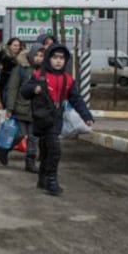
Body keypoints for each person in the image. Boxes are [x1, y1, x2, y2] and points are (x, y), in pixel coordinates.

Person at [20, 44, 93, 196]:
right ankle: (51, 181)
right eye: (55, 58)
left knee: (49, 149)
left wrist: (86, 116)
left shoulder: (68, 79)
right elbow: (24, 92)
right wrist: (34, 89)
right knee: (53, 150)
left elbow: (76, 98)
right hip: (41, 118)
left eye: (62, 58)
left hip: (56, 118)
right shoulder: (40, 75)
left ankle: (44, 179)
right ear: (49, 59)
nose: (58, 61)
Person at [0, 45, 45, 172]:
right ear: (31, 55)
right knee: (19, 134)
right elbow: (12, 89)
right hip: (21, 108)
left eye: (41, 56)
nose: (38, 58)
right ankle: (5, 149)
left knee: (33, 137)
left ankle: (30, 163)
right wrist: (9, 108)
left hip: (36, 110)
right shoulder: (21, 69)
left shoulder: (45, 71)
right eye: (36, 55)